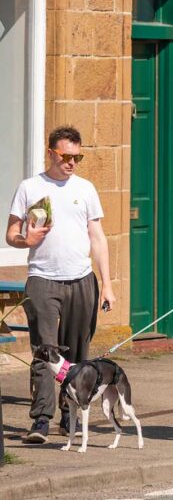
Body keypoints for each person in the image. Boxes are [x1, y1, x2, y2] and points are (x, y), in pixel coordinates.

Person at [6, 125, 116, 444]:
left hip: (81, 279)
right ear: (51, 153)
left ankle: (70, 414)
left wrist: (107, 284)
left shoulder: (86, 189)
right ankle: (41, 419)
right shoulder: (30, 187)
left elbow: (97, 238)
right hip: (42, 278)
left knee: (77, 352)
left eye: (77, 157)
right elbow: (10, 234)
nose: (71, 163)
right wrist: (26, 239)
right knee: (44, 351)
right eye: (66, 156)